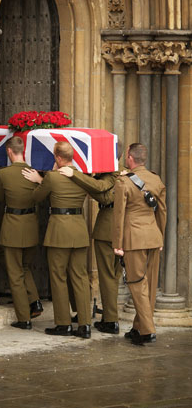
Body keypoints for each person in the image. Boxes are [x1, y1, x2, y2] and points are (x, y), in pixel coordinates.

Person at [23, 141, 92, 338]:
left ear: (58, 158)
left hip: (59, 232)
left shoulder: (52, 177)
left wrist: (39, 180)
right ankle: (85, 324)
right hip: (79, 229)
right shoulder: (82, 176)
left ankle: (64, 324)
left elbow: (36, 198)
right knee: (80, 276)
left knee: (59, 277)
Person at [58, 143, 122, 334]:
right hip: (120, 228)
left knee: (109, 276)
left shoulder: (115, 174)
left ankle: (111, 320)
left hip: (108, 228)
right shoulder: (118, 173)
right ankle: (110, 318)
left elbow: (104, 195)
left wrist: (75, 175)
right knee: (113, 275)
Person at [112, 143, 166, 345]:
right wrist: (159, 236)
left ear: (129, 157)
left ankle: (148, 330)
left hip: (133, 239)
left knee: (136, 284)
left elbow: (119, 215)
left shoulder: (123, 182)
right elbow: (162, 211)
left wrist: (117, 244)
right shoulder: (156, 179)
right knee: (149, 286)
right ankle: (138, 327)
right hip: (153, 237)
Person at [0, 136, 43, 329]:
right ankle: (35, 301)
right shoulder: (35, 173)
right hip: (31, 225)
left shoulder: (4, 174)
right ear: (23, 151)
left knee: (15, 273)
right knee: (25, 267)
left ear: (9, 151)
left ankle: (24, 318)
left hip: (13, 227)